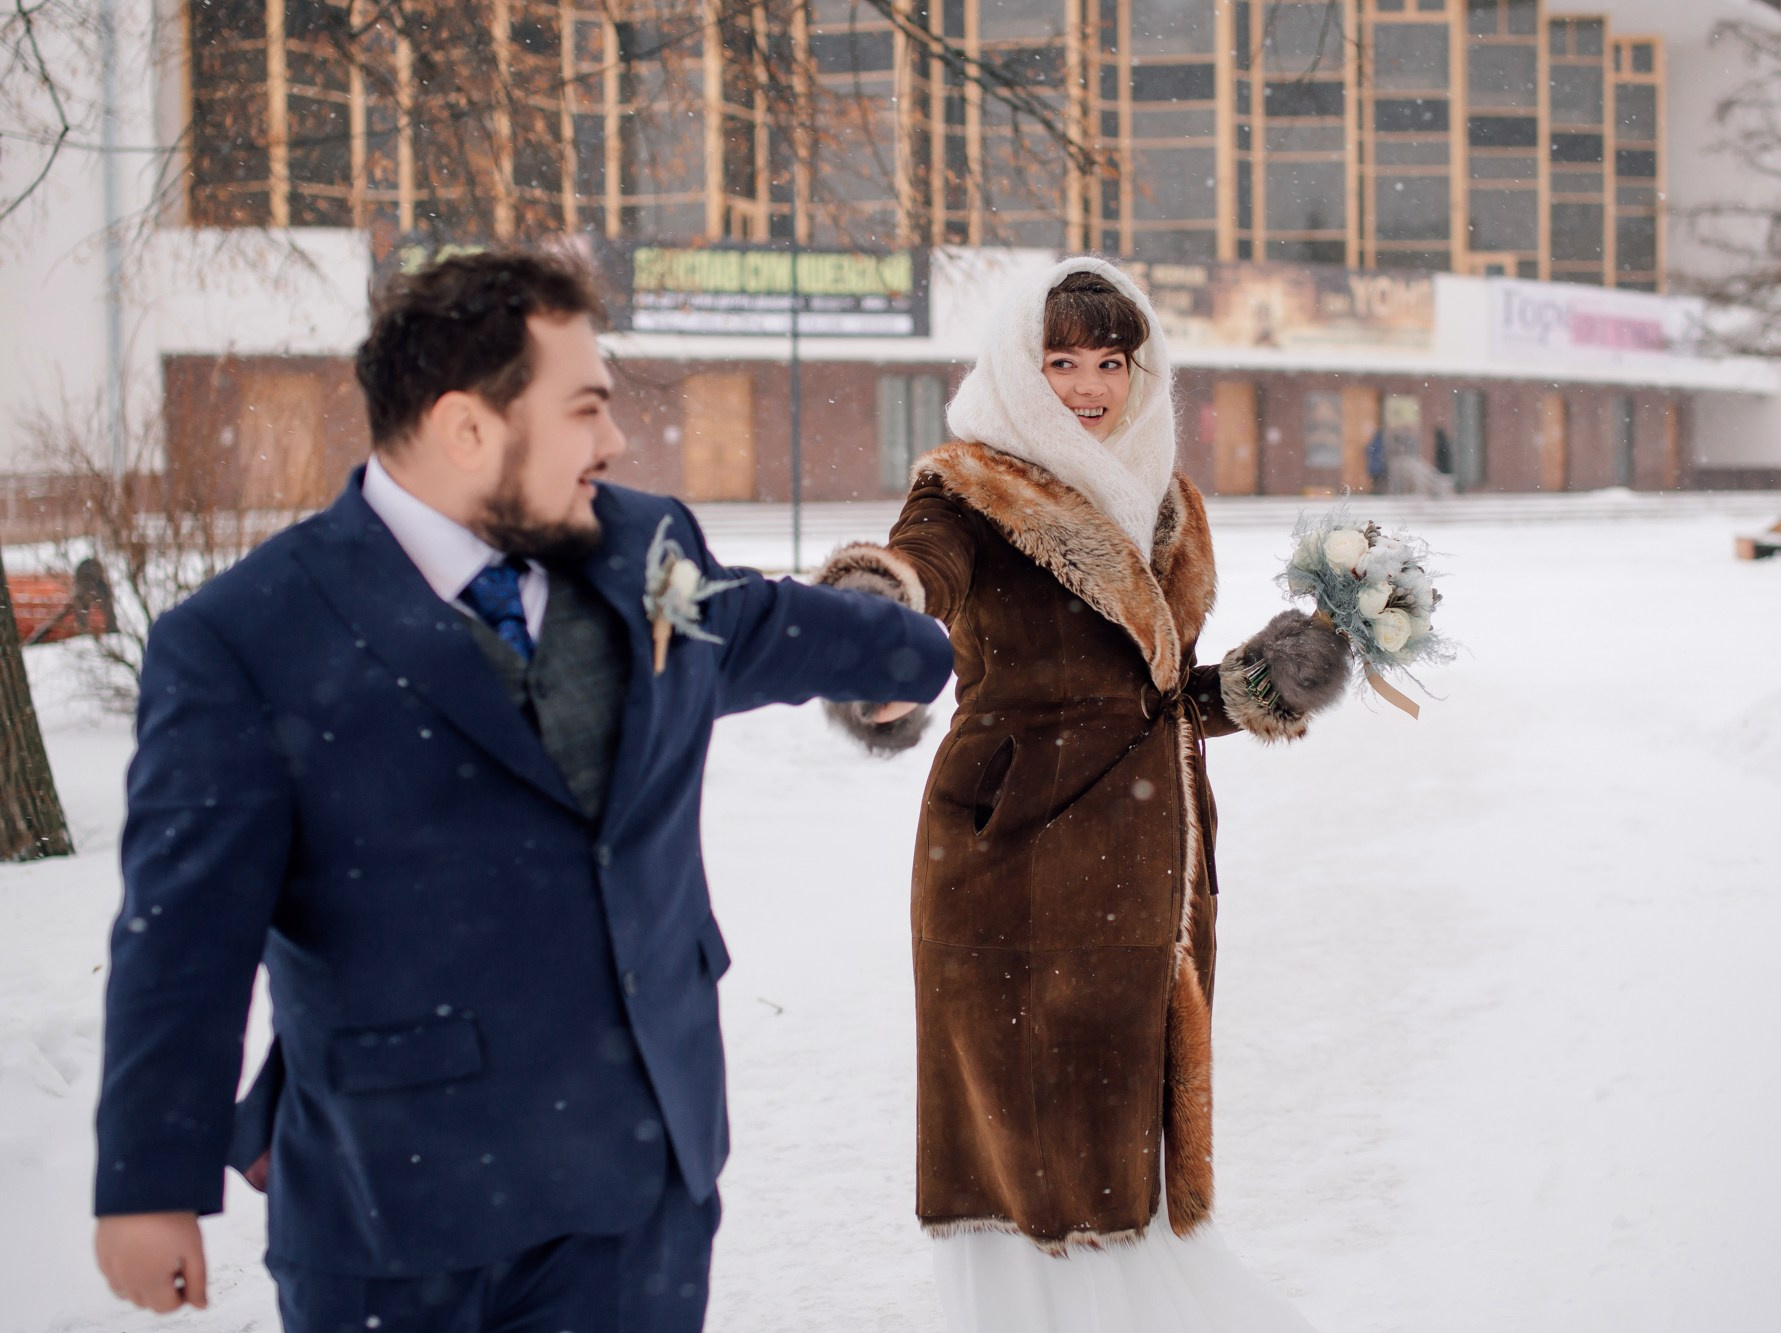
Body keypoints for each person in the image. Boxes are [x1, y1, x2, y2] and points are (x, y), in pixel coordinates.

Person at [91, 251, 953, 1331]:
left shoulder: (642, 549)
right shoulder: (244, 642)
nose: (614, 440)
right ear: (467, 428)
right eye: (584, 407)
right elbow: (183, 935)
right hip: (402, 1211)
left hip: (641, 1180)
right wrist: (148, 1180)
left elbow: (756, 624)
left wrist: (907, 655)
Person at [816, 259, 1352, 1331]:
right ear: (1019, 366)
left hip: (1143, 872)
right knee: (1038, 1181)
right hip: (1011, 867)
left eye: (1110, 360)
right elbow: (920, 571)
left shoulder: (1165, 499)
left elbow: (1151, 701)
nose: (1087, 386)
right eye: (1058, 361)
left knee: (1117, 1170)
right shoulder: (966, 488)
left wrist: (1264, 681)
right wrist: (873, 616)